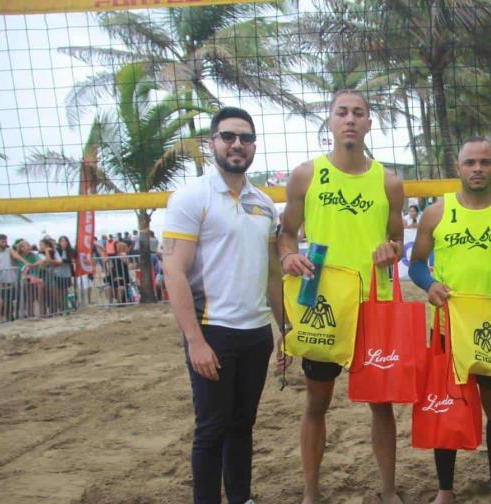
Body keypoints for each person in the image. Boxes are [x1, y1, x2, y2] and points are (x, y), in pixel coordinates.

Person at [276, 90, 404, 504]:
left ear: (369, 124)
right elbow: (287, 232)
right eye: (342, 113)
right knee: (318, 401)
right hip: (324, 305)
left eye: (359, 113)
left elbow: (397, 239)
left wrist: (392, 250)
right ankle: (311, 492)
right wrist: (288, 256)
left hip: (372, 304)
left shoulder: (388, 181)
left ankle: (388, 490)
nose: (350, 119)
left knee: (381, 404)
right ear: (329, 122)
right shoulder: (306, 176)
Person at [162, 106, 283, 504]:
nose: (237, 145)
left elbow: (270, 274)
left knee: (242, 425)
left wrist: (285, 330)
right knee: (211, 428)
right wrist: (194, 341)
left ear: (253, 147)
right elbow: (174, 272)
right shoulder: (192, 197)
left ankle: (241, 498)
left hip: (256, 333)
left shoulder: (264, 203)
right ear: (212, 142)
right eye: (228, 136)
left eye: (245, 138)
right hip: (212, 331)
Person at [409, 137, 491, 504]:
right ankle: (445, 491)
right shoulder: (436, 213)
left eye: (485, 162)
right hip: (450, 328)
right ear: (458, 168)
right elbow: (416, 264)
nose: (477, 168)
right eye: (470, 163)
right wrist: (430, 283)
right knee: (447, 404)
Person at [0, 233, 18, 321]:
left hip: (10, 278)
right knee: (2, 300)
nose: (4, 243)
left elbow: (16, 257)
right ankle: (0, 319)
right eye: (2, 241)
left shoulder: (9, 250)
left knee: (10, 299)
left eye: (5, 241)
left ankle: (10, 317)